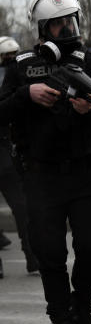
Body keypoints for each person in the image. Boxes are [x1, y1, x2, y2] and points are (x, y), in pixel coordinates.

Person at [0, 0, 91, 324]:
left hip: (83, 173)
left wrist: (87, 107)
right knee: (49, 253)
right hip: (41, 176)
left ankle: (83, 311)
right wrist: (25, 95)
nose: (67, 28)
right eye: (58, 23)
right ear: (43, 27)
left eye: (71, 21)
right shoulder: (21, 66)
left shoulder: (90, 61)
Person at [0, 36, 38, 275]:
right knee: (22, 208)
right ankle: (33, 257)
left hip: (7, 151)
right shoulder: (16, 76)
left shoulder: (16, 75)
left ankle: (33, 257)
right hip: (6, 151)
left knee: (23, 208)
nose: (11, 60)